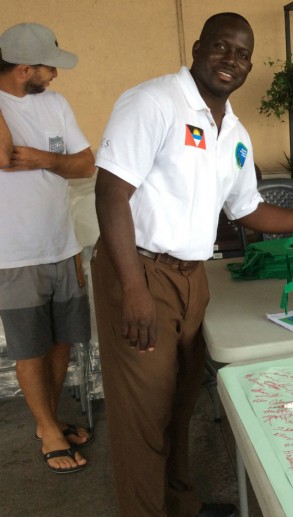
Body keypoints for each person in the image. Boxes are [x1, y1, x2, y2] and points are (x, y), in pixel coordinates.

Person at [91, 12, 293, 517]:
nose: (231, 59)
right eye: (221, 47)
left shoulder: (234, 133)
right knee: (143, 416)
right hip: (139, 272)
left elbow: (247, 209)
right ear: (197, 48)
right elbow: (110, 193)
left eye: (242, 54)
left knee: (179, 404)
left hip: (193, 276)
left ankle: (181, 505)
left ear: (250, 66)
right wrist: (134, 290)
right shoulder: (154, 102)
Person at [0, 23, 96, 474]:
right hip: (14, 254)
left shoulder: (56, 104)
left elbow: (85, 164)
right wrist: (56, 163)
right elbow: (4, 157)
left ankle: (49, 422)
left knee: (61, 340)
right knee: (30, 348)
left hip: (62, 243)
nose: (56, 74)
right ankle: (48, 430)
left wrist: (42, 159)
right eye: (49, 67)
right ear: (24, 69)